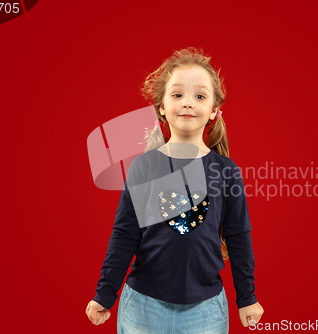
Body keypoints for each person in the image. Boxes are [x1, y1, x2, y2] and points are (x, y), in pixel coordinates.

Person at [85, 47, 264, 333]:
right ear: (161, 107)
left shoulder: (226, 171)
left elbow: (238, 236)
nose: (188, 103)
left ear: (214, 111)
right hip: (142, 306)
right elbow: (125, 233)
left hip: (205, 311)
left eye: (200, 96)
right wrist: (105, 293)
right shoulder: (144, 167)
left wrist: (247, 298)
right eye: (178, 94)